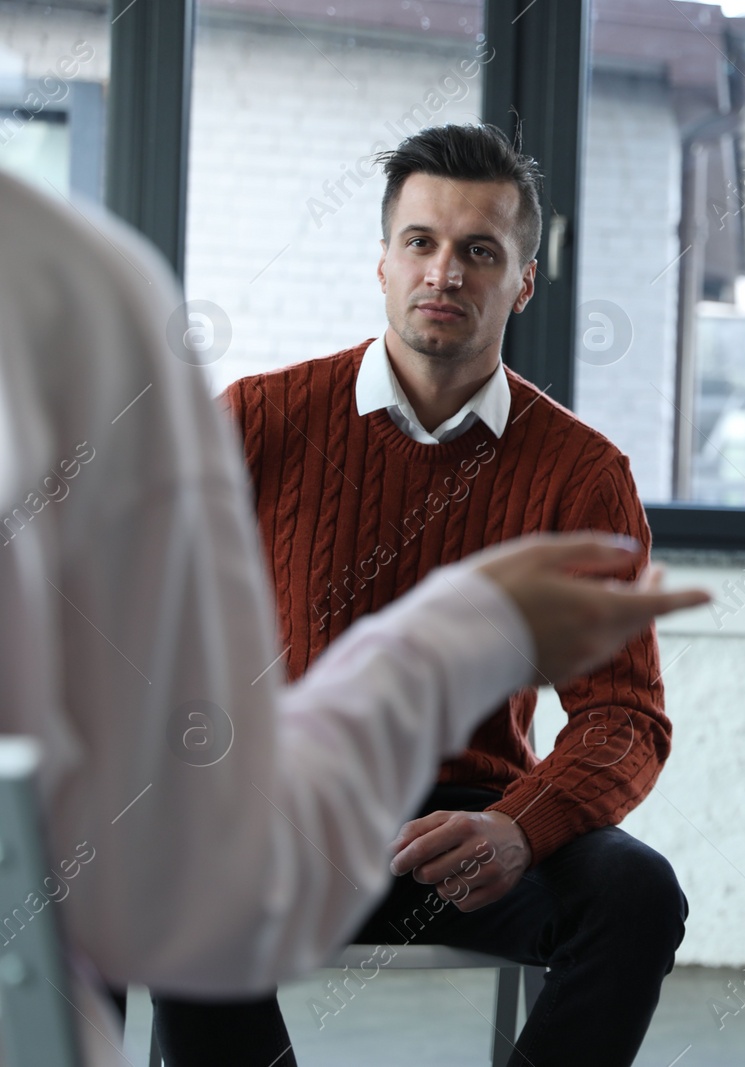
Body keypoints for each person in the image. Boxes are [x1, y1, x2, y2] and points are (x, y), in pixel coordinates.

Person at [0, 163, 707, 1064]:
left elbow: (625, 717)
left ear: (525, 279)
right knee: (153, 856)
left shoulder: (583, 468)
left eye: (479, 251)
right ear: (382, 261)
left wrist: (521, 826)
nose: (444, 272)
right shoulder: (255, 418)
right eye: (421, 242)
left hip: (468, 823)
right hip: (275, 797)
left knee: (635, 892)